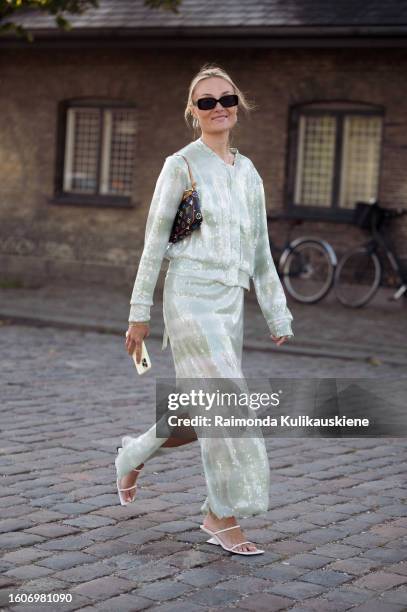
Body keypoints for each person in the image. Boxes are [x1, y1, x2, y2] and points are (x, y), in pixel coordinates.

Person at [115, 63, 294, 555]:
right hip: (189, 297)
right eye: (207, 101)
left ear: (239, 107)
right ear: (193, 112)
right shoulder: (181, 165)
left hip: (230, 302)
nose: (219, 108)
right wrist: (138, 313)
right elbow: (154, 242)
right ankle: (221, 515)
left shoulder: (249, 171)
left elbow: (260, 250)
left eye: (227, 99)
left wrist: (277, 314)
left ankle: (132, 453)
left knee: (202, 411)